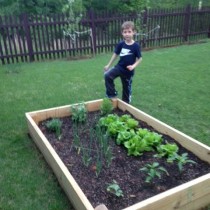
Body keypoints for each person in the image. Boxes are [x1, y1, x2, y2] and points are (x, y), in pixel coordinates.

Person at [104, 21, 142, 104]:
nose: (127, 34)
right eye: (125, 32)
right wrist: (108, 65)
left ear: (134, 32)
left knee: (126, 89)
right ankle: (112, 94)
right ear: (122, 33)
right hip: (119, 67)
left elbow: (140, 58)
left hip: (128, 72)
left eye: (129, 32)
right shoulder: (121, 44)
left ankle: (126, 105)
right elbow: (115, 54)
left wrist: (133, 66)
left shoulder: (136, 46)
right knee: (107, 75)